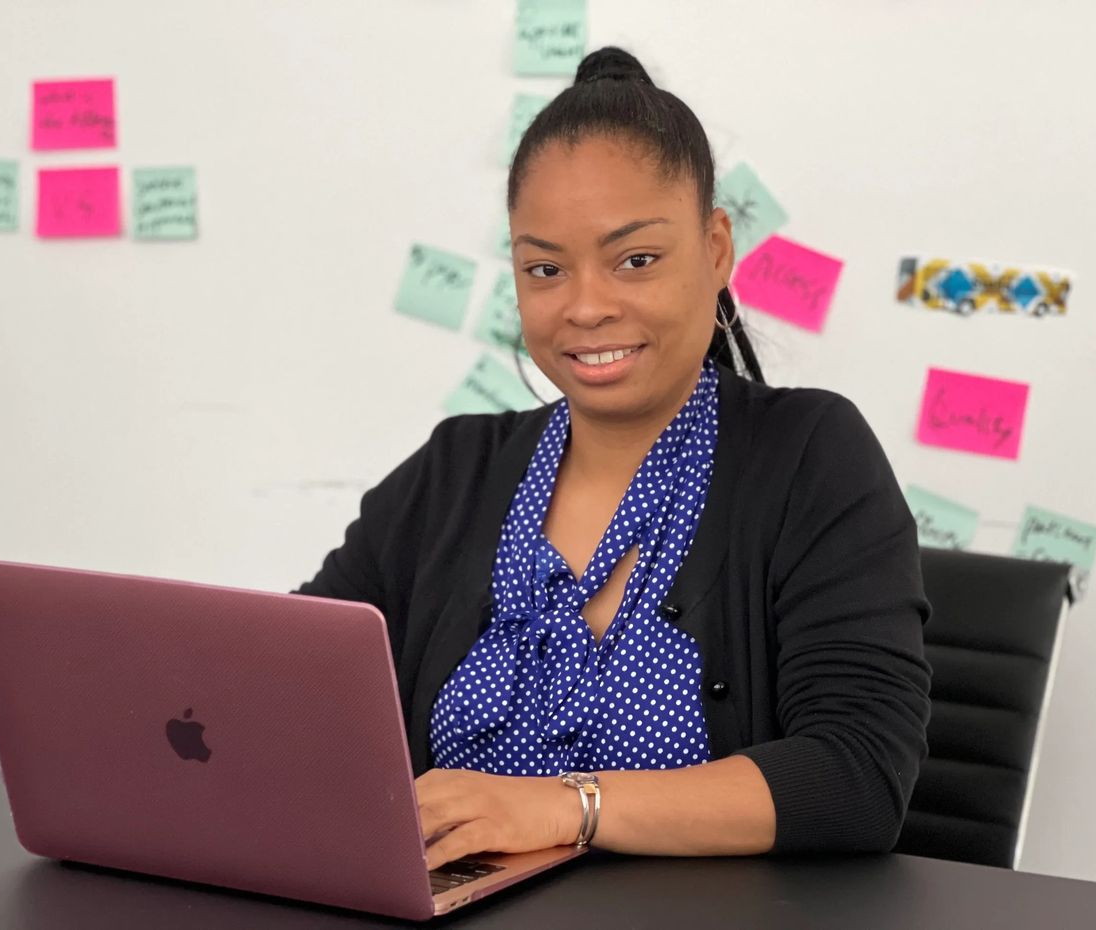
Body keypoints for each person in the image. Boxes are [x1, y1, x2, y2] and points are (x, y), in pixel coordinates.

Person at [295, 46, 932, 872]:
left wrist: (566, 808)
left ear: (715, 248)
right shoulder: (456, 472)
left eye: (636, 260)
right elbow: (296, 685)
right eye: (545, 269)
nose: (586, 306)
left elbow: (858, 776)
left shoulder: (809, 457)